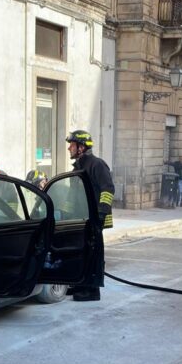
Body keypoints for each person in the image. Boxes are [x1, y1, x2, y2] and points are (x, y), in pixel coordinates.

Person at [65, 129, 114, 301]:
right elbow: (73, 195)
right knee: (82, 251)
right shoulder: (78, 167)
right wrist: (67, 214)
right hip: (81, 218)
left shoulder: (96, 164)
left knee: (94, 252)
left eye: (72, 144)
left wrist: (100, 214)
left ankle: (92, 290)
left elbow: (108, 190)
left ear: (81, 147)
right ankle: (81, 283)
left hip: (94, 218)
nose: (69, 148)